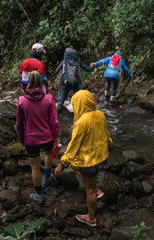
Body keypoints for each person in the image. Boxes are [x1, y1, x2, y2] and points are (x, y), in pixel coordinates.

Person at [54, 90, 113, 227]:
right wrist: (109, 144)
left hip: (91, 162)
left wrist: (61, 164)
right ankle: (94, 188)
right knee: (75, 166)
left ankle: (91, 218)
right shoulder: (100, 114)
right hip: (102, 156)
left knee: (89, 191)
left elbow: (73, 147)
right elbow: (106, 134)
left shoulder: (81, 122)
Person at [16, 71, 59, 203]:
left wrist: (21, 138)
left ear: (28, 82)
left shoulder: (22, 101)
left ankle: (39, 194)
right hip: (47, 137)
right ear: (41, 83)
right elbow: (54, 121)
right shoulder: (49, 98)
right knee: (48, 154)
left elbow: (19, 124)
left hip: (31, 139)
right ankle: (47, 176)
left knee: (34, 167)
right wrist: (56, 136)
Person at [55, 47, 94, 112]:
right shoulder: (78, 62)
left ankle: (56, 114)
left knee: (61, 100)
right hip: (76, 83)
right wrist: (92, 67)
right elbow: (88, 69)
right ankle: (80, 112)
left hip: (65, 83)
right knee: (78, 99)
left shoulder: (64, 62)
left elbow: (56, 70)